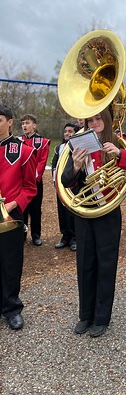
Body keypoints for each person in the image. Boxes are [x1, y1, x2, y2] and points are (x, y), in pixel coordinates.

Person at [61, 108, 126, 338]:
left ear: (107, 120)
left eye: (99, 118)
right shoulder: (77, 145)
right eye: (91, 119)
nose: (95, 122)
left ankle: (102, 318)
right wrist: (77, 166)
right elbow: (65, 180)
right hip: (85, 212)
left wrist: (119, 154)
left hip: (108, 213)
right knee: (85, 264)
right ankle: (85, 315)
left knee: (106, 265)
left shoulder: (118, 141)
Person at [0, 105, 37, 330]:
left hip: (10, 213)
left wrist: (14, 204)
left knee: (10, 263)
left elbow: (30, 187)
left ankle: (12, 308)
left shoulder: (22, 150)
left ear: (10, 122)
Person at [21, 114, 50, 246]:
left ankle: (36, 235)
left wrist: (33, 177)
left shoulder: (42, 142)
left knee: (35, 209)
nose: (24, 126)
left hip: (34, 181)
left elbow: (42, 161)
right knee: (21, 209)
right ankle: (22, 234)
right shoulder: (18, 141)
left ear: (34, 125)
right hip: (20, 182)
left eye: (27, 123)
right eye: (22, 123)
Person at [52, 123, 78, 251]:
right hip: (60, 185)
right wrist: (55, 182)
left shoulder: (77, 148)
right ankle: (65, 236)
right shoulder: (58, 148)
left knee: (71, 212)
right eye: (66, 131)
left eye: (70, 131)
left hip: (73, 185)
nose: (67, 133)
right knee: (61, 212)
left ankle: (74, 237)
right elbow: (54, 166)